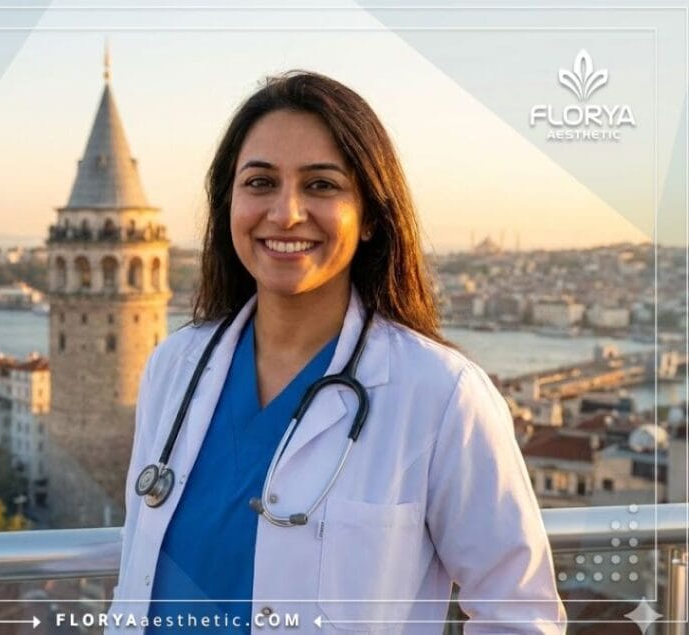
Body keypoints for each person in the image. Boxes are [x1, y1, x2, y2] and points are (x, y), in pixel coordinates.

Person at [105, 70, 566, 634]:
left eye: (321, 185)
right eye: (259, 182)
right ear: (227, 203)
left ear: (371, 215)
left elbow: (518, 609)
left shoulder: (441, 394)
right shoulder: (175, 367)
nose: (286, 213)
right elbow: (139, 566)